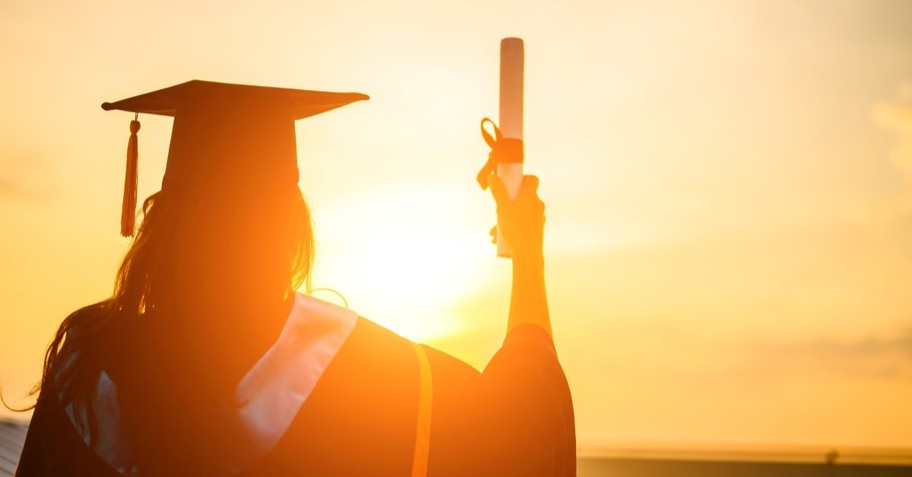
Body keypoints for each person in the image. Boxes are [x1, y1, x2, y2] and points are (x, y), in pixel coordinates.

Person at [14, 80, 575, 476]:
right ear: (289, 221)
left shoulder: (86, 381)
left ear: (161, 220)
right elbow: (527, 425)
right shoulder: (386, 384)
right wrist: (528, 253)